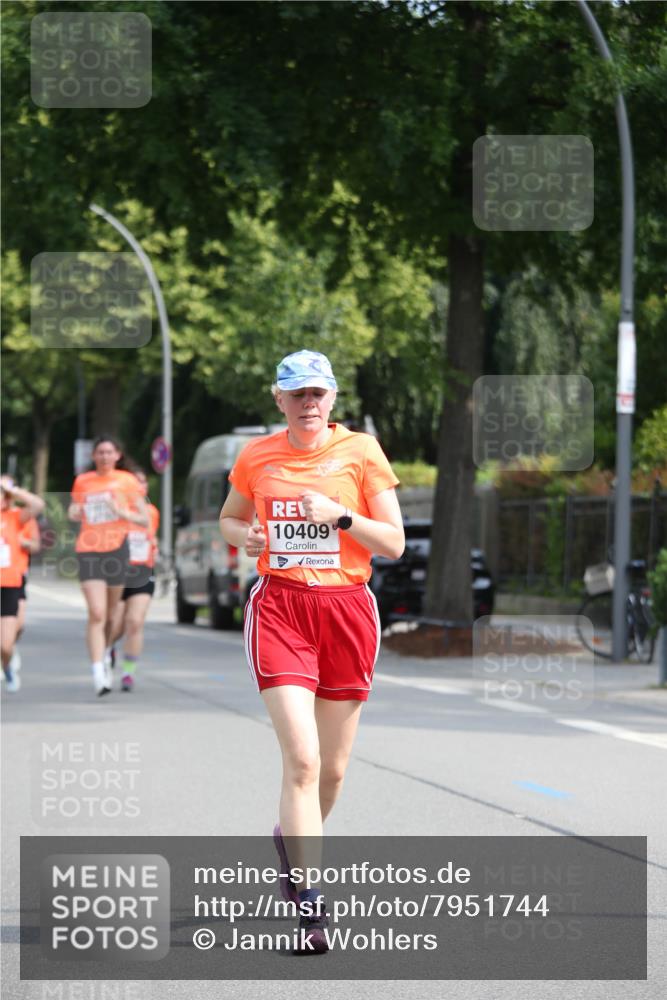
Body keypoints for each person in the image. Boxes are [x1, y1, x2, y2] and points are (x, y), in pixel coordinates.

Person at [219, 349, 404, 954]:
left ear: (332, 398)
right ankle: (311, 903)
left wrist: (341, 516)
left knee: (332, 769)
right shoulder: (257, 456)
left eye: (317, 393)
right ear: (279, 399)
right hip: (281, 606)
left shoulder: (361, 452)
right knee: (301, 759)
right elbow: (229, 518)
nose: (308, 404)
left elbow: (395, 543)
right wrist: (243, 534)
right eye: (297, 394)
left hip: (348, 611)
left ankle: (292, 839)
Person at [68, 437, 148, 697]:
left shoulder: (127, 481)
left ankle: (104, 653)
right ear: (93, 456)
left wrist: (120, 512)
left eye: (108, 452)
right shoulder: (84, 481)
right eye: (100, 452)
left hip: (117, 549)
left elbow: (143, 519)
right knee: (97, 612)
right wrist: (75, 511)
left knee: (113, 615)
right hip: (89, 549)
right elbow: (72, 510)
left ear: (117, 455)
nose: (104, 456)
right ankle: (97, 674)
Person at [108, 468, 160, 692]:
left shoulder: (151, 511)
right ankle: (107, 648)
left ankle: (128, 672)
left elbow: (149, 529)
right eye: (136, 484)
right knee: (115, 624)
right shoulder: (113, 510)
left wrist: (153, 546)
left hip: (142, 570)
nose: (141, 488)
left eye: (144, 484)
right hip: (117, 572)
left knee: (135, 622)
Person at [1, 476, 45, 693]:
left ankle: (6, 665)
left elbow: (38, 504)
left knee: (6, 643)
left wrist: (12, 489)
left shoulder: (16, 517)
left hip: (10, 583)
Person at [7, 509, 42, 677]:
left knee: (18, 624)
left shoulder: (22, 516)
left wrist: (22, 542)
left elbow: (35, 545)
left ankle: (9, 646)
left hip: (15, 577)